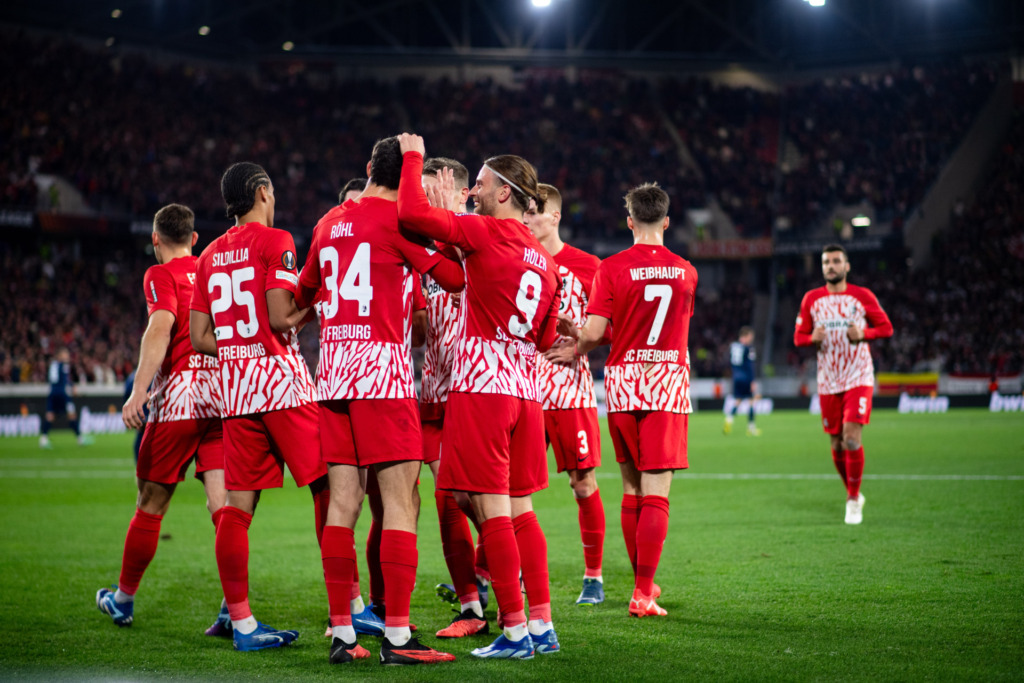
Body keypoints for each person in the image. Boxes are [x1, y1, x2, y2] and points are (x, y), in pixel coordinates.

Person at [296, 137, 462, 665]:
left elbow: (304, 293)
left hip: (333, 374)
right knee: (400, 504)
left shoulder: (326, 223)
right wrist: (441, 220)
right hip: (382, 379)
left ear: (368, 168)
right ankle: (395, 637)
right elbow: (456, 279)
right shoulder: (401, 223)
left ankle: (344, 634)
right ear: (409, 177)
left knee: (342, 505)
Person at [397, 133, 563, 660]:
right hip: (525, 392)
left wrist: (412, 155)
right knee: (519, 510)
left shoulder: (485, 233)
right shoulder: (544, 260)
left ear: (506, 194)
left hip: (482, 389)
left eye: (483, 185)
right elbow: (542, 337)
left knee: (491, 512)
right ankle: (541, 624)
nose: (473, 192)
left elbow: (409, 212)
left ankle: (513, 632)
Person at [189, 162, 330, 652]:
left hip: (237, 391)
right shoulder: (276, 241)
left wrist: (236, 345)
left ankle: (244, 624)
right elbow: (280, 314)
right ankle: (347, 609)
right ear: (262, 192)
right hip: (282, 385)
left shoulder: (207, 255)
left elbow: (199, 337)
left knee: (236, 508)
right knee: (327, 487)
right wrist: (315, 302)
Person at [557, 182, 697, 618]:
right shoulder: (687, 271)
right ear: (667, 222)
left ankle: (644, 584)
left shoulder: (612, 268)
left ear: (630, 220)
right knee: (657, 492)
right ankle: (641, 592)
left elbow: (597, 333)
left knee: (632, 489)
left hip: (623, 382)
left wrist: (575, 339)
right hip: (666, 381)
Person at [95, 203, 226, 631]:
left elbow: (160, 326)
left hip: (182, 398)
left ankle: (123, 600)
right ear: (194, 238)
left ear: (155, 240)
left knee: (150, 504)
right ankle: (234, 608)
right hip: (223, 394)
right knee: (224, 508)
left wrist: (139, 390)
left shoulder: (160, 275)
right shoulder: (212, 268)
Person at [418, 157, 492, 639]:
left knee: (474, 498)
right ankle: (472, 603)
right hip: (433, 389)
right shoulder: (423, 243)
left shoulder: (481, 236)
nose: (419, 201)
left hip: (472, 385)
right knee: (448, 499)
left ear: (459, 193)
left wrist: (450, 223)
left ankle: (502, 584)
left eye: (430, 192)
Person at [522, 183, 606, 606]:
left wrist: (580, 345)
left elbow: (612, 326)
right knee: (515, 488)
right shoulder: (517, 259)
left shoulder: (588, 265)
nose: (526, 219)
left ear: (554, 216)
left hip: (571, 394)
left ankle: (593, 577)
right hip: (522, 392)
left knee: (583, 482)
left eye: (533, 213)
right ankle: (506, 573)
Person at [794, 244, 893, 525]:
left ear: (847, 266)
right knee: (836, 445)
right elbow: (798, 337)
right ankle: (853, 492)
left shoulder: (862, 296)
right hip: (828, 380)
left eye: (837, 261)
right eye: (826, 262)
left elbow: (886, 328)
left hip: (858, 375)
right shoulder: (811, 299)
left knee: (851, 437)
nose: (831, 266)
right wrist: (811, 337)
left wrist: (864, 333)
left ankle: (852, 500)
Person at [40, 348, 90, 447]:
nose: (67, 356)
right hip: (62, 394)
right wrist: (73, 387)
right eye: (65, 354)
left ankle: (43, 439)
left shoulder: (53, 365)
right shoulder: (64, 365)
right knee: (72, 415)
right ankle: (80, 439)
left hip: (52, 393)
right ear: (59, 356)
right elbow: (65, 379)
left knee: (50, 416)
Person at [724, 326, 761, 436]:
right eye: (750, 336)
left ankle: (729, 420)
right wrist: (752, 381)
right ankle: (751, 428)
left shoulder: (733, 346)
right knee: (751, 401)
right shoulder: (749, 348)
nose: (752, 338)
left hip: (736, 377)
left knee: (738, 401)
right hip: (745, 377)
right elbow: (750, 366)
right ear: (746, 336)